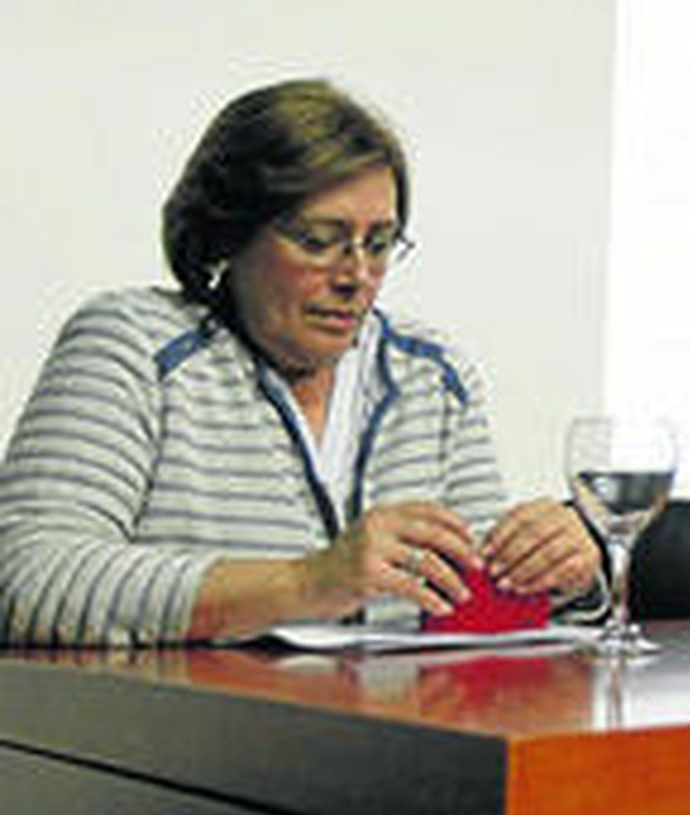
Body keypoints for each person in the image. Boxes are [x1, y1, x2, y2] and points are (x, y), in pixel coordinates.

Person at [0, 79, 601, 646]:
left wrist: (558, 575)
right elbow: (24, 578)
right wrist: (308, 584)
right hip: (183, 747)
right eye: (317, 241)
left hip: (396, 744)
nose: (357, 277)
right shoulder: (133, 346)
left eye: (380, 243)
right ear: (228, 234)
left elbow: (476, 610)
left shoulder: (432, 375)